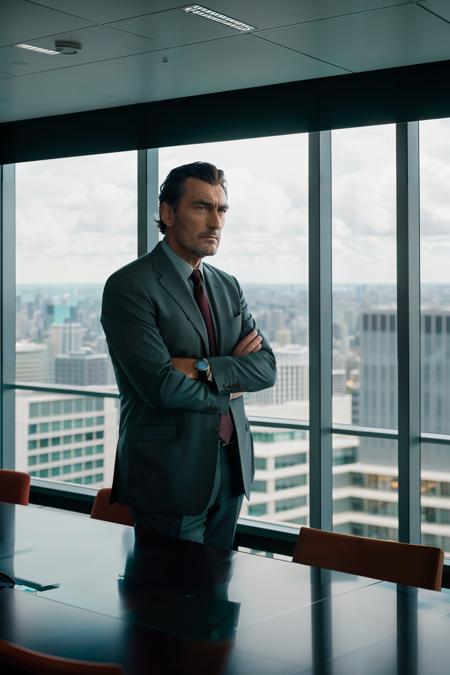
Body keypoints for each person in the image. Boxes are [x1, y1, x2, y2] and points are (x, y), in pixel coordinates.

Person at [101, 161, 276, 549]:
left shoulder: (227, 286)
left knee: (218, 599)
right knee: (167, 603)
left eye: (222, 209)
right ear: (168, 213)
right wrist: (230, 383)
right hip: (168, 474)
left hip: (230, 470)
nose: (216, 222)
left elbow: (266, 368)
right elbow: (160, 387)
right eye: (202, 207)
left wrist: (202, 368)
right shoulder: (130, 286)